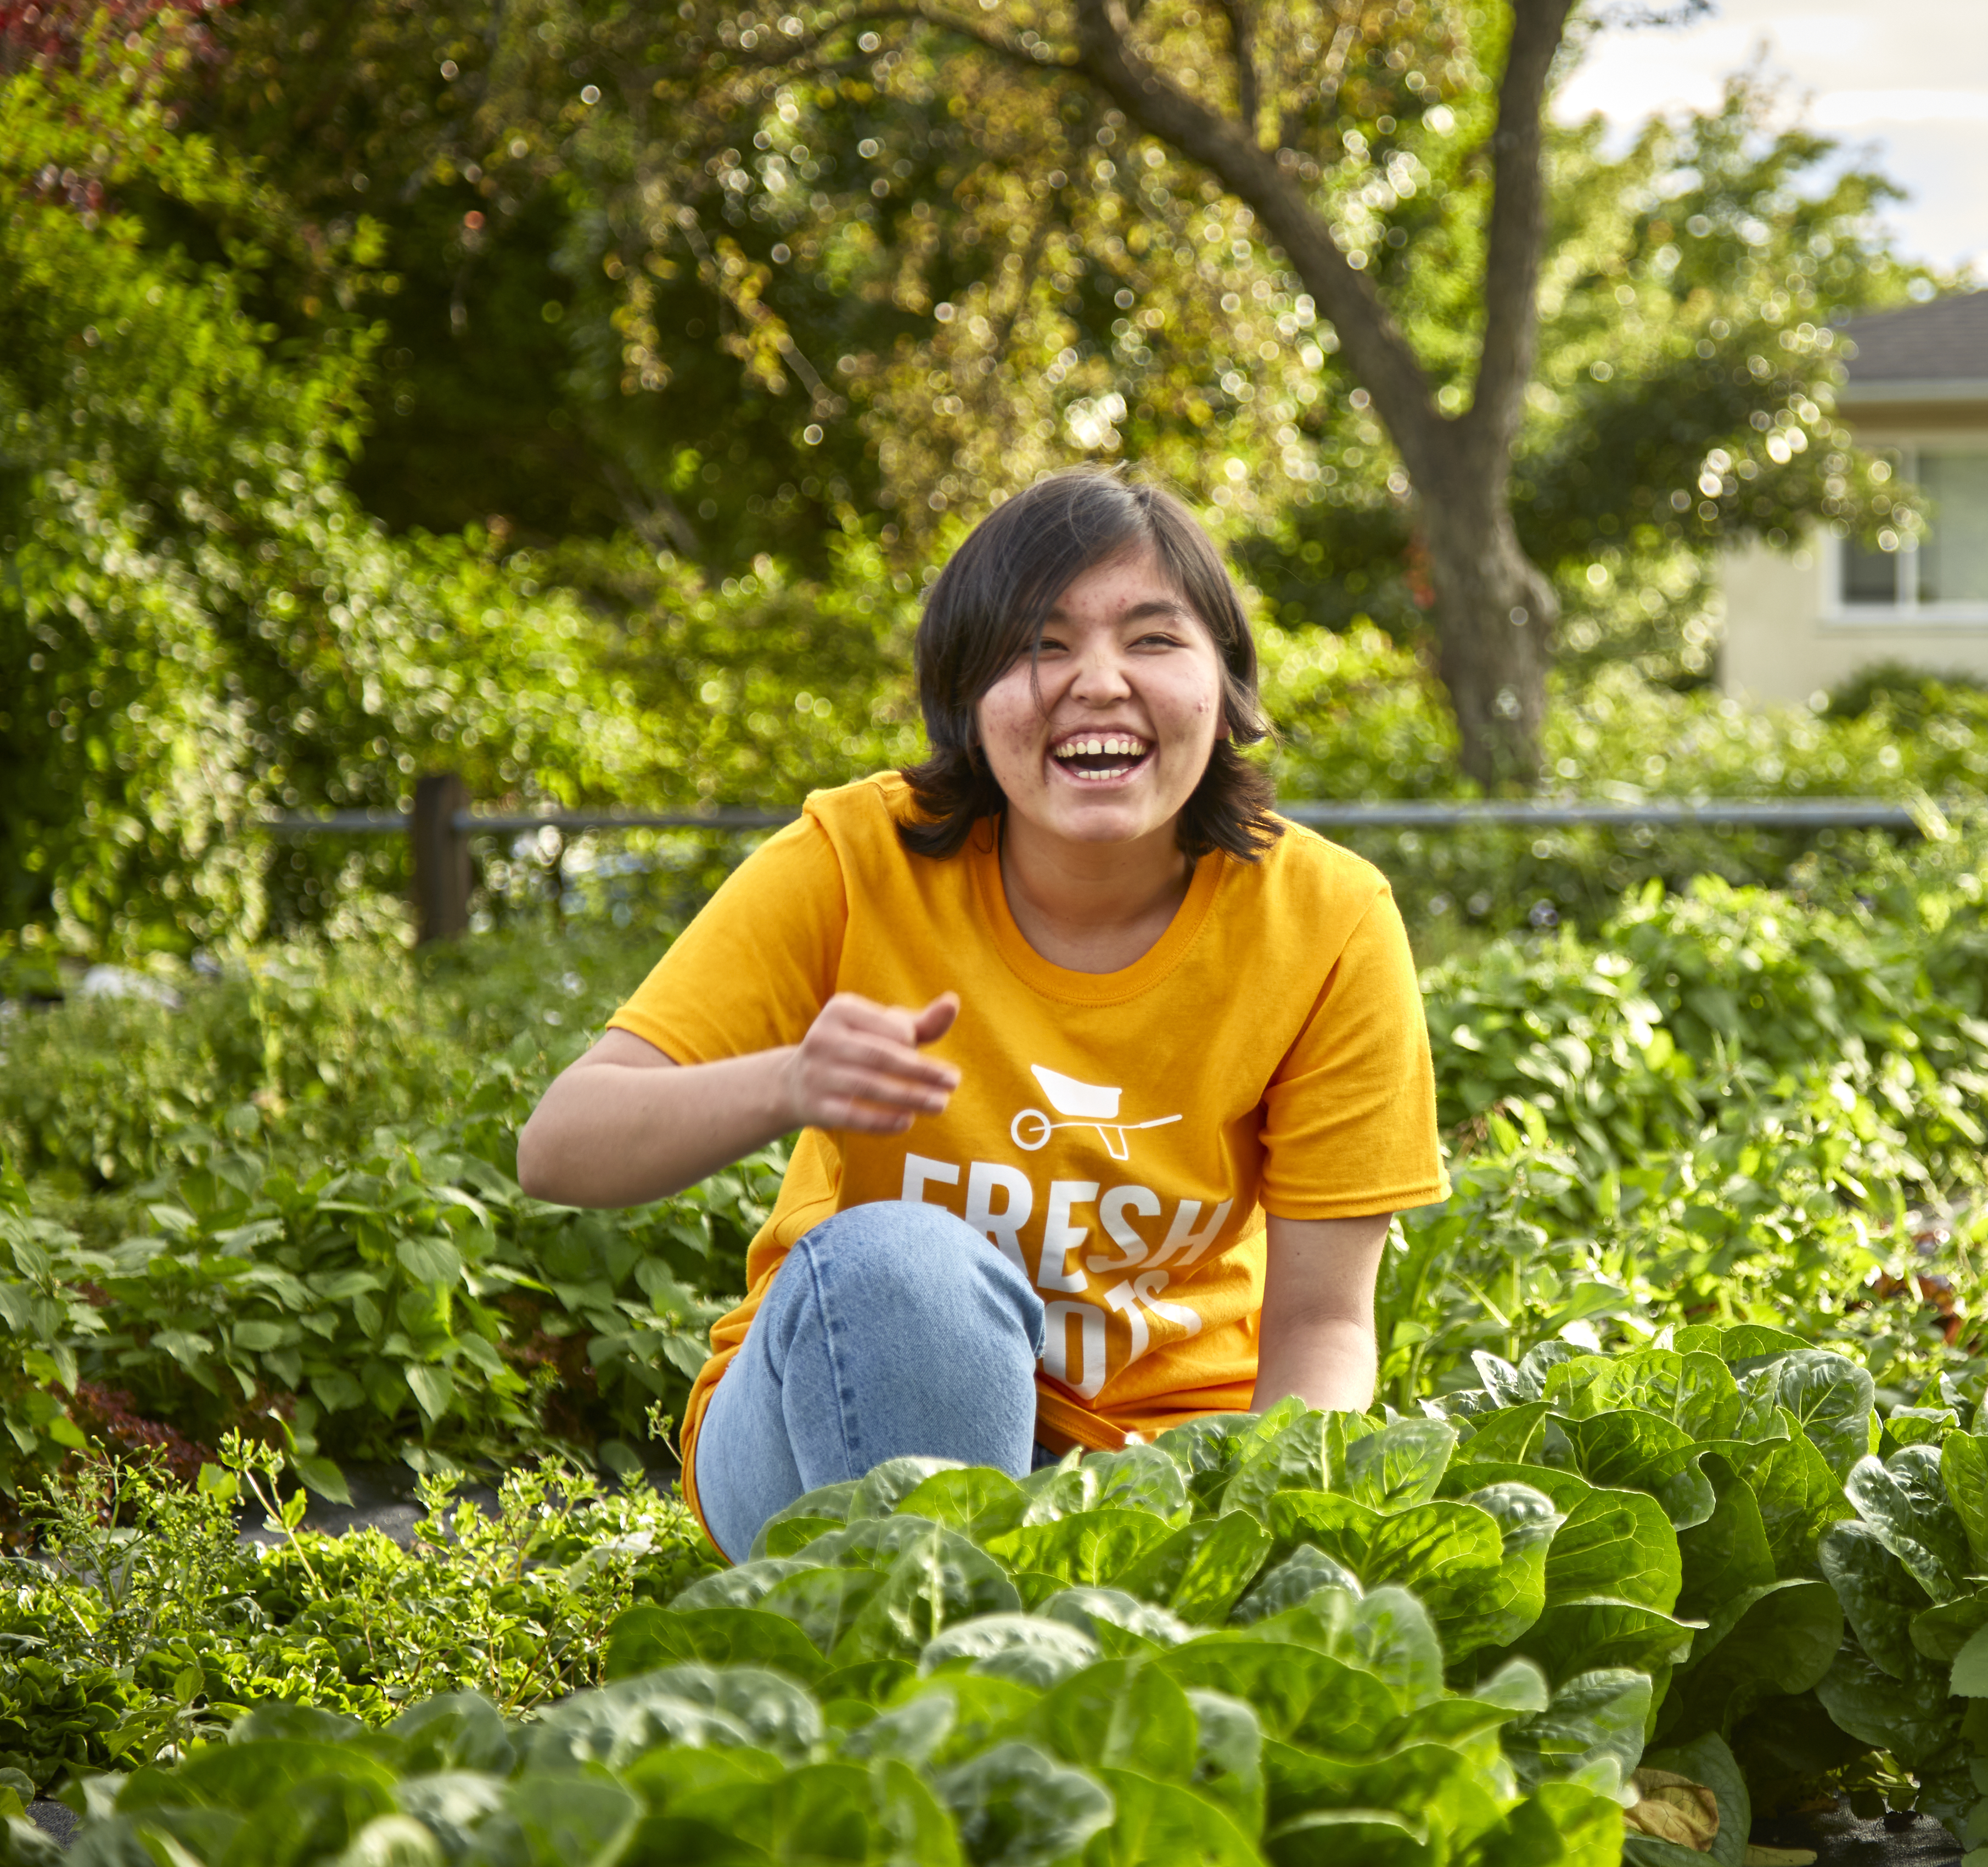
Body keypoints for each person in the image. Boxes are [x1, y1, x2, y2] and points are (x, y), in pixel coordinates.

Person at [516, 467, 1446, 1559]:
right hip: (827, 1431)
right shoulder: (856, 859)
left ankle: (1000, 1656)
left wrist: (1265, 1525)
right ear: (965, 698)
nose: (1096, 682)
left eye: (1152, 638)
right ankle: (935, 1657)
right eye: (1038, 645)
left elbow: (1323, 1326)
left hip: (1161, 1474)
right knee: (901, 1263)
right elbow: (559, 1147)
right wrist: (785, 1082)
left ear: (1225, 684)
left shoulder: (1325, 920)